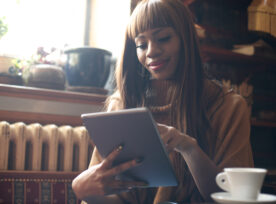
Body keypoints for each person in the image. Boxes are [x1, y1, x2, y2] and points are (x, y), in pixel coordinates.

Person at [72, 0, 254, 203]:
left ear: (186, 40)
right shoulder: (121, 105)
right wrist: (83, 190)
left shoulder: (229, 107)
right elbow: (119, 198)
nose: (151, 51)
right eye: (141, 44)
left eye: (163, 38)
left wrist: (189, 148)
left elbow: (236, 197)